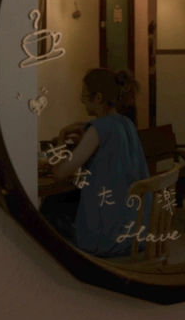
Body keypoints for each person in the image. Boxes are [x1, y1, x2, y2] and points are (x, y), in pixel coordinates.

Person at [51, 68, 150, 257]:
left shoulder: (98, 128)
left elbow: (59, 173)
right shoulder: (126, 123)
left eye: (84, 95)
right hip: (135, 228)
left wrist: (62, 135)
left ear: (97, 98)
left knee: (51, 208)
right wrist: (86, 143)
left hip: (109, 236)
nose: (82, 101)